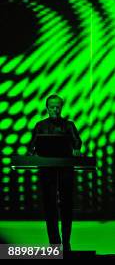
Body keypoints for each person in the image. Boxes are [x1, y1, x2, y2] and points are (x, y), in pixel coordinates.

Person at [27, 94, 82, 252]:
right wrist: (31, 153)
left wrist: (77, 149)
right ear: (47, 107)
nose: (55, 110)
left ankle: (67, 242)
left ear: (61, 107)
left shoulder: (69, 125)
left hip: (65, 167)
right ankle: (55, 244)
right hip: (46, 167)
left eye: (58, 106)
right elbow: (32, 144)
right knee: (49, 205)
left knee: (66, 205)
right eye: (52, 106)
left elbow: (77, 141)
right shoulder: (40, 125)